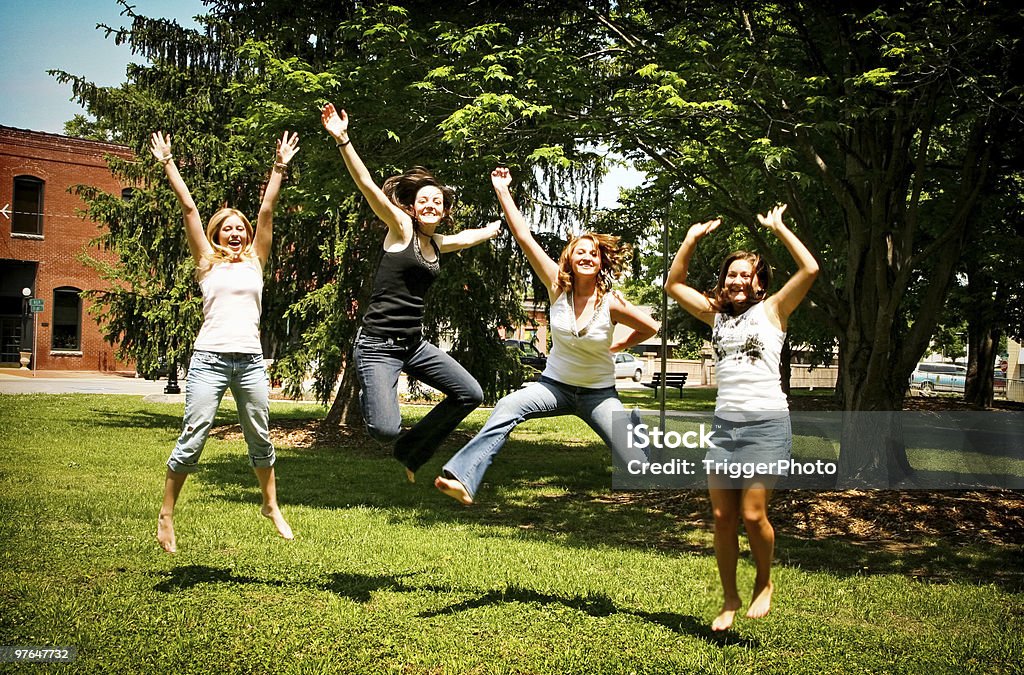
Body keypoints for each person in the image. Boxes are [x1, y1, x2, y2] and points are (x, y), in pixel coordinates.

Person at [435, 167, 660, 505]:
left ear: (600, 263)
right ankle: (464, 479)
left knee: (641, 469)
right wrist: (502, 191)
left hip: (598, 394)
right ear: (569, 258)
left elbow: (650, 328)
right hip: (553, 386)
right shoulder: (557, 287)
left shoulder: (611, 302)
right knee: (509, 405)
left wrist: (618, 344)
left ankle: (637, 432)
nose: (586, 256)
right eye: (580, 251)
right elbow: (524, 236)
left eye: (593, 253)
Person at [320, 103, 499, 482]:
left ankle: (412, 449)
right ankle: (389, 424)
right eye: (424, 201)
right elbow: (369, 187)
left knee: (470, 393)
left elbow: (466, 238)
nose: (431, 204)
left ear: (444, 209)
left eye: (438, 201)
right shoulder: (401, 230)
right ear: (413, 209)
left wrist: (496, 226)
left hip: (413, 345)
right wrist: (343, 140)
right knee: (384, 429)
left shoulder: (437, 245)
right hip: (376, 346)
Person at [664, 205, 818, 631]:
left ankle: (764, 583)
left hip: (767, 425)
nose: (735, 281)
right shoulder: (716, 316)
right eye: (730, 275)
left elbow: (809, 267)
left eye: (744, 275)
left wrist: (780, 228)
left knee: (753, 516)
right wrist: (691, 239)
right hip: (725, 429)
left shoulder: (773, 311)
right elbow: (673, 284)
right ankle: (729, 596)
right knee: (722, 519)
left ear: (758, 281)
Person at [152, 130, 299, 553]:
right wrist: (168, 163)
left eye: (241, 228)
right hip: (210, 359)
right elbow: (190, 208)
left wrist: (279, 165)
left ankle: (270, 505)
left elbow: (267, 207)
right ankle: (166, 514)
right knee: (194, 435)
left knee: (260, 435)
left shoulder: (256, 261)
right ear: (217, 235)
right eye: (228, 229)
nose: (236, 233)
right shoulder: (206, 263)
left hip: (250, 360)